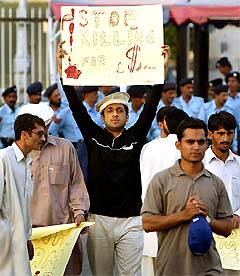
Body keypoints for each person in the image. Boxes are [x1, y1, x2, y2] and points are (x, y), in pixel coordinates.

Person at [57, 40, 170, 276]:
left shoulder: (136, 136)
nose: (115, 114)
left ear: (128, 116)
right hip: (99, 219)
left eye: (120, 110)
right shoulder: (94, 135)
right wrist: (62, 72)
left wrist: (162, 69)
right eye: (110, 110)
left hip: (132, 220)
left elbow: (150, 106)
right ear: (102, 115)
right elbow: (76, 107)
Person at [142, 117, 233, 276]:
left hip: (209, 268)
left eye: (200, 142)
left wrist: (207, 219)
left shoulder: (215, 183)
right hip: (171, 267)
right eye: (190, 142)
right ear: (178, 145)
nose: (196, 147)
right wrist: (183, 215)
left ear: (207, 144)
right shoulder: (162, 180)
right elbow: (148, 223)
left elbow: (227, 228)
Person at [140, 107, 188, 276]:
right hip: (177, 221)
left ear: (164, 124)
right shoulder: (185, 149)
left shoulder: (148, 148)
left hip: (148, 219)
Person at [0, 113, 45, 276]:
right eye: (39, 133)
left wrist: (27, 238)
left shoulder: (27, 163)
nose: (43, 138)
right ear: (24, 134)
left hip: (19, 244)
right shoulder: (4, 158)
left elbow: (23, 208)